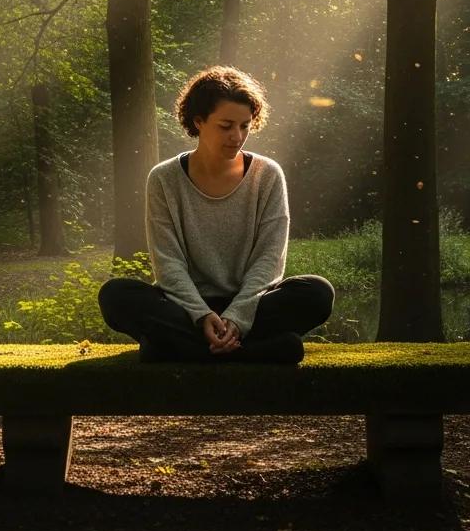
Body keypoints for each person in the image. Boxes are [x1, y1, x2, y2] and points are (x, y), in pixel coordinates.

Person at [98, 65, 334, 363]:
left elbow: (270, 259)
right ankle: (255, 351)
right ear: (198, 121)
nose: (237, 136)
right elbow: (168, 263)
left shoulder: (268, 175)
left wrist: (237, 316)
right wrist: (201, 315)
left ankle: (179, 349)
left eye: (245, 126)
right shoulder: (163, 179)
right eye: (226, 126)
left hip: (252, 304)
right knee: (115, 295)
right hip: (185, 306)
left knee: (317, 292)